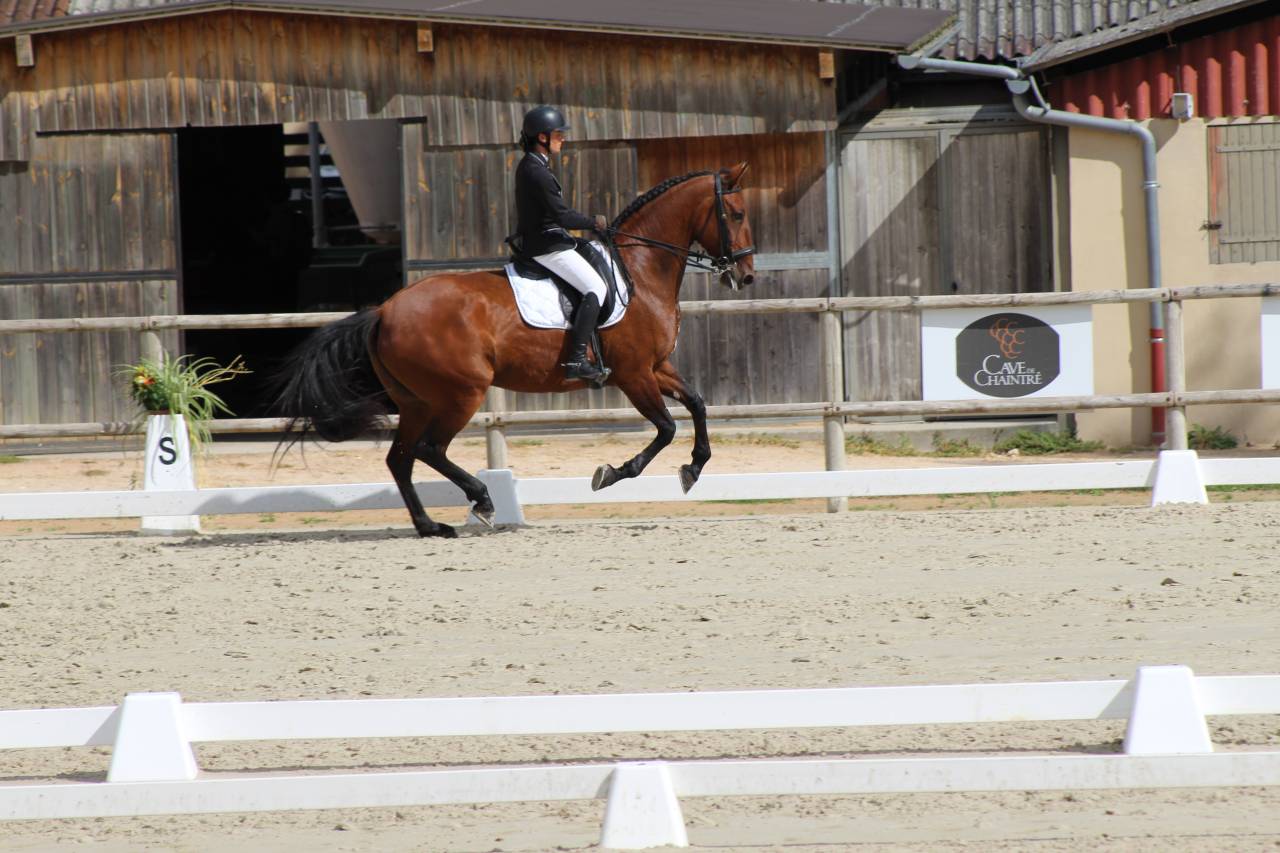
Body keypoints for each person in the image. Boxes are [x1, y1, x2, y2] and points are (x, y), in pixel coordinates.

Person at [515, 105, 611, 384]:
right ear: (542, 137)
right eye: (558, 133)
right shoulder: (537, 171)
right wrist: (594, 222)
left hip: (550, 238)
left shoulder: (535, 165)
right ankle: (576, 360)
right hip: (545, 245)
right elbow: (562, 215)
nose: (563, 138)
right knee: (596, 287)